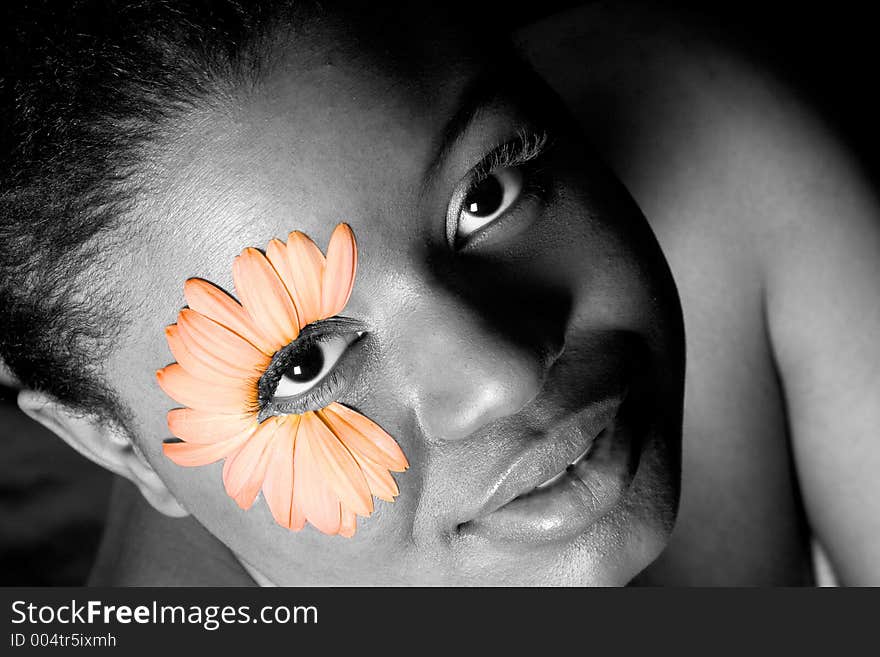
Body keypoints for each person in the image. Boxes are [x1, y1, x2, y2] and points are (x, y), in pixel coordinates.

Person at [0, 0, 876, 586]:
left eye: (485, 196)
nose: (501, 376)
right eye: (305, 363)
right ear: (119, 447)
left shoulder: (700, 127)